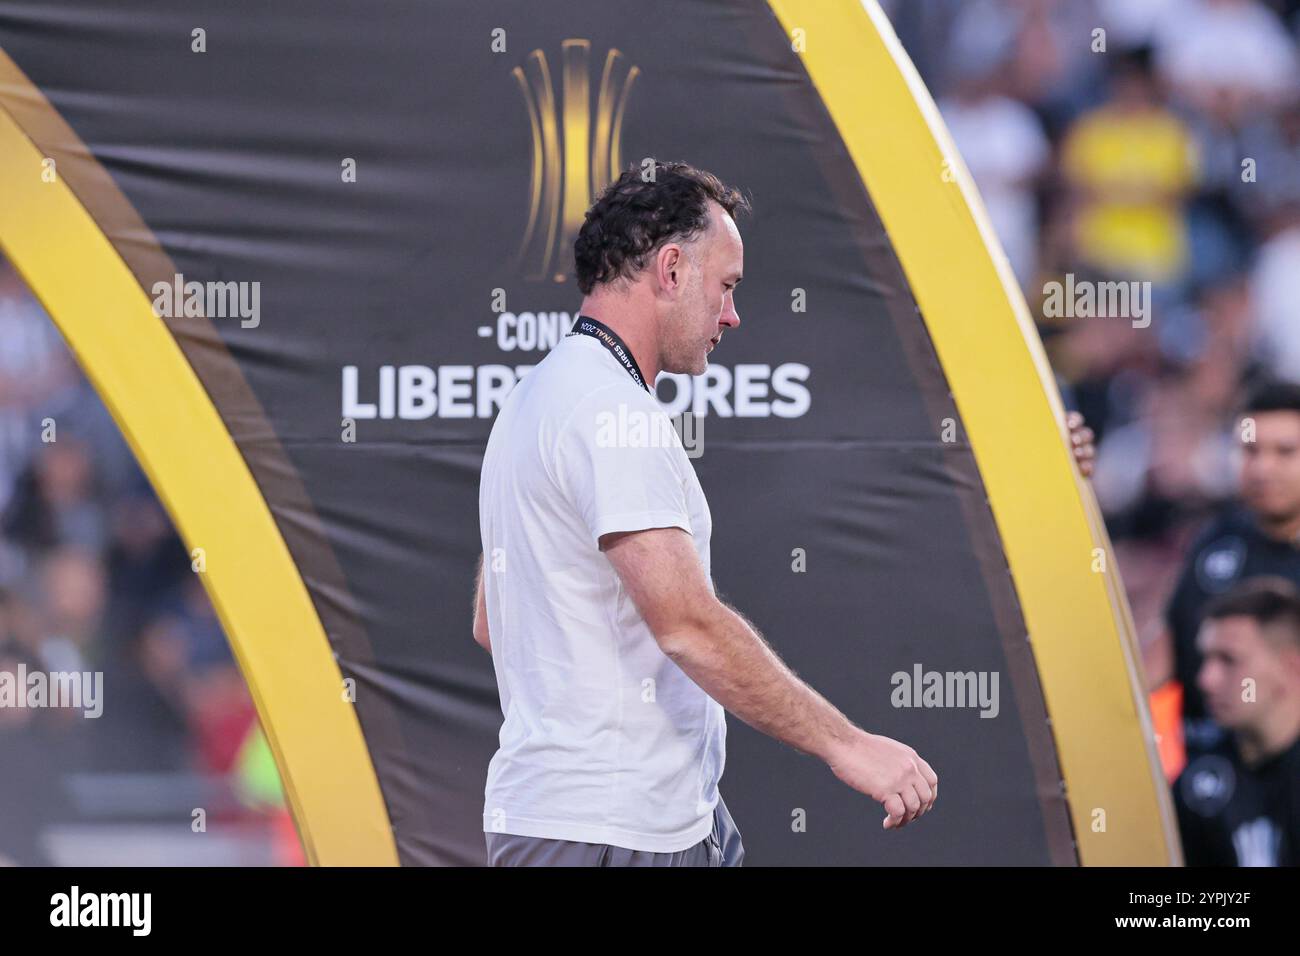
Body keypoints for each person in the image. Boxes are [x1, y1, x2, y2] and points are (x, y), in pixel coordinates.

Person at [472, 161, 1095, 868]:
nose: (733, 315)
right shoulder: (613, 413)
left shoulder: (531, 402)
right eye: (727, 286)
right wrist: (849, 746)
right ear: (671, 270)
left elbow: (496, 624)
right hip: (619, 832)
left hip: (616, 819)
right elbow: (686, 625)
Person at [1146, 383, 1300, 750]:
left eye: (1285, 452)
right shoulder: (1216, 542)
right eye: (1250, 450)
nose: (1263, 468)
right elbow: (1158, 659)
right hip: (1211, 782)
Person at [1173, 577, 1300, 866]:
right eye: (1204, 659)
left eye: (1229, 660)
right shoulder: (1199, 783)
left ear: (1291, 667)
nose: (1205, 680)